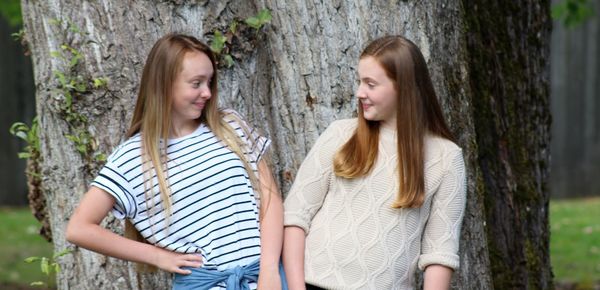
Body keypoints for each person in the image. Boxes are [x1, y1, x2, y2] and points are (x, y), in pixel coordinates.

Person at [66, 33, 286, 290]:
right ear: (164, 85)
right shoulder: (133, 158)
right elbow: (79, 229)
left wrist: (270, 271)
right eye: (196, 83)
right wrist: (157, 256)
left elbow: (270, 200)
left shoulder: (230, 126)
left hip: (264, 278)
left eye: (209, 82)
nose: (206, 92)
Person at [282, 35, 467, 290]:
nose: (360, 93)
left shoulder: (446, 158)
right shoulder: (340, 135)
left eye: (370, 84)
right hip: (309, 283)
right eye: (360, 81)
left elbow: (440, 254)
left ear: (403, 88)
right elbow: (295, 216)